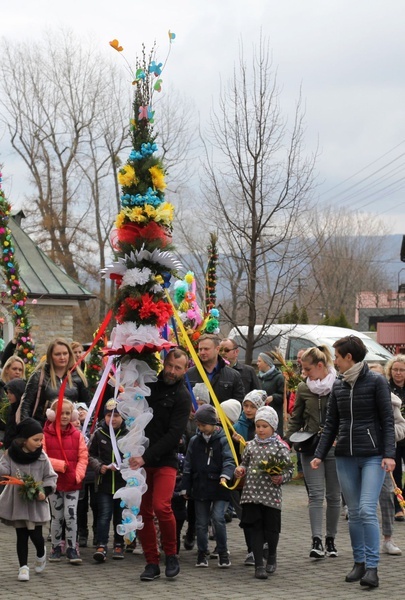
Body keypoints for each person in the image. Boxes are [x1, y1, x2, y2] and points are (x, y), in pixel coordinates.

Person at [311, 335, 395, 589]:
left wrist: (389, 454)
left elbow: (387, 420)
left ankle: (372, 567)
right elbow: (331, 424)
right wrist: (318, 453)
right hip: (345, 456)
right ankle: (359, 562)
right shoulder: (338, 385)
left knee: (368, 510)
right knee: (355, 512)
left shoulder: (377, 381)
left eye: (336, 357)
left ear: (349, 357)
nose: (333, 361)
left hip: (372, 455)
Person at [128, 348, 192, 581]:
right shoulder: (151, 386)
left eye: (178, 368)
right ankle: (151, 562)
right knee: (143, 512)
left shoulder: (183, 396)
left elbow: (174, 435)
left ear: (185, 369)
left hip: (164, 460)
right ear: (164, 364)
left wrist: (146, 457)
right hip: (140, 459)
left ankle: (171, 554)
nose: (172, 371)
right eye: (170, 366)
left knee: (161, 506)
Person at [285, 345, 340, 560]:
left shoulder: (339, 385)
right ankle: (316, 540)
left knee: (334, 496)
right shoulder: (302, 388)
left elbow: (346, 416)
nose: (304, 374)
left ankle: (331, 539)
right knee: (315, 495)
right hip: (310, 446)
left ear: (320, 365)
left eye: (307, 369)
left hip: (335, 446)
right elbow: (296, 417)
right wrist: (286, 440)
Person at [235, 406, 293, 580]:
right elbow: (244, 463)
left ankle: (272, 555)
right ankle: (259, 564)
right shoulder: (250, 446)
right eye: (258, 426)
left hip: (271, 496)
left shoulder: (280, 448)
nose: (260, 429)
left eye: (264, 426)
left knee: (271, 530)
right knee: (255, 528)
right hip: (251, 494)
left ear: (273, 427)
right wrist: (240, 469)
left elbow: (290, 471)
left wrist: (281, 477)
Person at [0, 417, 57, 582]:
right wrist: (3, 458)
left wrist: (44, 491)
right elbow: (4, 471)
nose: (39, 443)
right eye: (36, 440)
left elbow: (50, 477)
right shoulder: (11, 454)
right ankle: (23, 567)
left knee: (36, 535)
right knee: (22, 535)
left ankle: (41, 552)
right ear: (24, 440)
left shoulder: (42, 457)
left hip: (36, 502)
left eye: (41, 439)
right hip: (17, 501)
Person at [182, 404, 235, 569]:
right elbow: (188, 465)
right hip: (200, 486)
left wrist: (225, 475)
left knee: (218, 518)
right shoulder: (194, 441)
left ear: (214, 423)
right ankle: (202, 553)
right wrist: (186, 486)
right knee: (201, 522)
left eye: (203, 425)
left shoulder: (224, 440)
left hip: (220, 486)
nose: (200, 428)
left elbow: (229, 460)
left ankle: (223, 552)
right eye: (198, 425)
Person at [43, 398, 88, 564]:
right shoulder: (45, 435)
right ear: (53, 414)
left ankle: (71, 548)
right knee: (57, 517)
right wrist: (60, 465)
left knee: (71, 515)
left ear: (73, 415)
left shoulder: (77, 435)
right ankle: (55, 547)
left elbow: (83, 457)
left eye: (68, 413)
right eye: (61, 413)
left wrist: (78, 475)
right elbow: (43, 457)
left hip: (71, 483)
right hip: (53, 483)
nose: (64, 416)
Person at [369, 363, 405, 556]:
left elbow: (401, 426)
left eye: (378, 378)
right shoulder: (358, 399)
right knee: (364, 503)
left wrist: (386, 435)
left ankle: (388, 539)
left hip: (382, 457)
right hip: (363, 455)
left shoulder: (392, 401)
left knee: (386, 497)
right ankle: (367, 542)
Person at [89, 399, 129, 562]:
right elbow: (90, 455)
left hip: (123, 484)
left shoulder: (128, 434)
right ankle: (102, 544)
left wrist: (126, 465)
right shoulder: (98, 434)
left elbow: (134, 455)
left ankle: (119, 544)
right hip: (104, 484)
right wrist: (100, 467)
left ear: (123, 417)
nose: (112, 419)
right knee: (104, 515)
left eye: (117, 415)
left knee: (120, 516)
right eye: (108, 415)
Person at [232, 389, 267, 566]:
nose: (248, 410)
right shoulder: (238, 427)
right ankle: (251, 550)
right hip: (244, 478)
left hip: (262, 478)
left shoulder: (265, 425)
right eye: (245, 406)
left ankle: (265, 544)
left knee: (263, 514)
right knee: (247, 515)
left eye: (252, 406)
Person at [20, 338, 89, 424]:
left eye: (65, 353)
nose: (62, 357)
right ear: (50, 356)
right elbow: (26, 405)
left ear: (69, 354)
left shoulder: (77, 376)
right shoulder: (38, 376)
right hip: (44, 428)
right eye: (57, 354)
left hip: (70, 430)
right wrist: (29, 429)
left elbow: (87, 403)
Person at [187, 334, 245, 403]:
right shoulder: (188, 375)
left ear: (217, 349)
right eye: (200, 349)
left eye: (206, 349)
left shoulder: (233, 376)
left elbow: (238, 403)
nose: (202, 352)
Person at [385, 354, 405, 521]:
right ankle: (398, 506)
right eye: (395, 370)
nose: (398, 373)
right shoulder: (385, 388)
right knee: (396, 472)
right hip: (395, 436)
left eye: (401, 370)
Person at [256, 353, 285, 436]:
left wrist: (273, 397)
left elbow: (284, 396)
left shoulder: (279, 377)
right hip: (260, 415)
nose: (257, 363)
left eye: (259, 361)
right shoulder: (258, 377)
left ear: (266, 362)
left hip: (274, 414)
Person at [2, 378, 27, 450]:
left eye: (11, 393)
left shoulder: (24, 411)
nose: (8, 395)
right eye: (7, 392)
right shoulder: (11, 409)